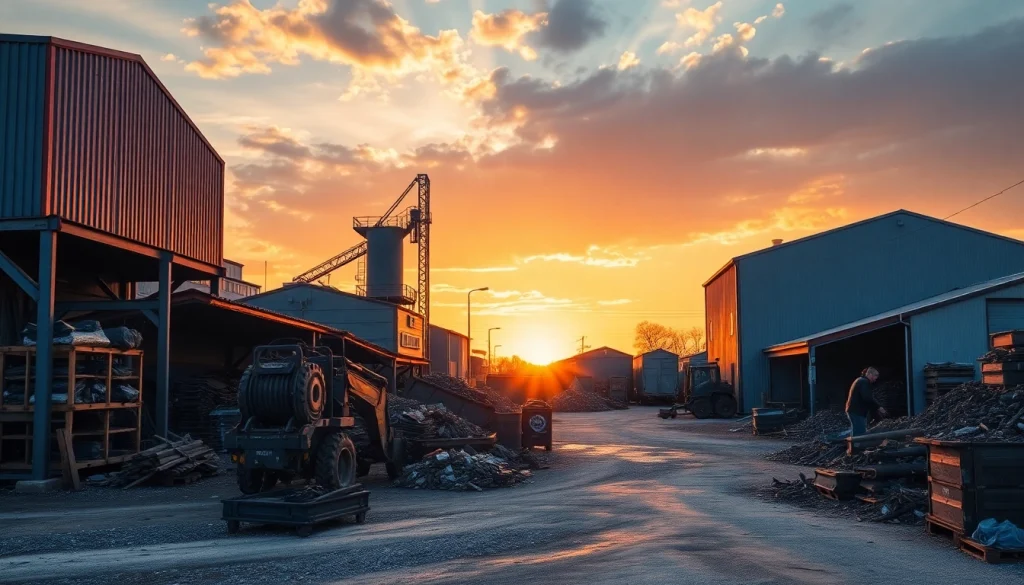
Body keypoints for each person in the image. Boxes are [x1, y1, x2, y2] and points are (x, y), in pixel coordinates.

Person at [845, 367, 887, 438]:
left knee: (856, 431)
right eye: (876, 375)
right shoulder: (864, 382)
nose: (876, 378)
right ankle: (858, 448)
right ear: (870, 374)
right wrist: (878, 407)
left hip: (853, 410)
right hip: (857, 412)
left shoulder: (859, 380)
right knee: (860, 434)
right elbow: (867, 398)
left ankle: (854, 447)